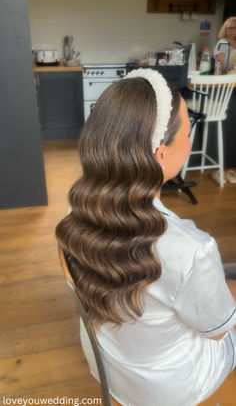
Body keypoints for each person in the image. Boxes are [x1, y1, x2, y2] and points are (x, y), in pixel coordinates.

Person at [56, 69, 236, 406]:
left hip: (108, 364)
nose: (191, 139)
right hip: (169, 388)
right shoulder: (192, 250)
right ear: (161, 154)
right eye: (188, 129)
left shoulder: (74, 214)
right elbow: (219, 331)